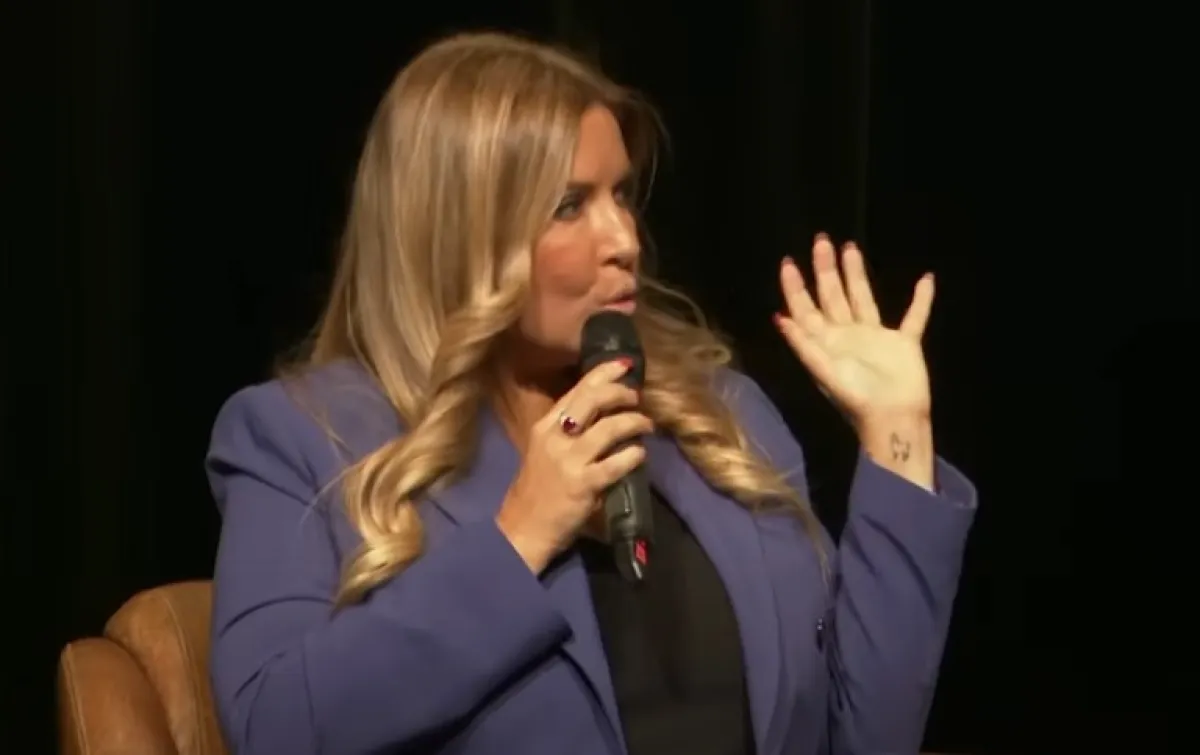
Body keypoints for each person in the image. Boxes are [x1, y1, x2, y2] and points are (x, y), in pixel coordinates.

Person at [205, 31, 977, 755]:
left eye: (621, 196)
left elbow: (866, 735)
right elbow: (275, 726)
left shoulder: (720, 416)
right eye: (571, 205)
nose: (625, 241)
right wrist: (518, 537)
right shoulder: (304, 438)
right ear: (458, 232)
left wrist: (897, 433)